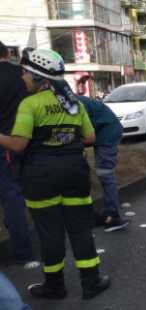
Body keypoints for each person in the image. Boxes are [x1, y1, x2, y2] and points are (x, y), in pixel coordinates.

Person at [0, 48, 110, 300]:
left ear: (39, 76)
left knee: (49, 232)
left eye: (26, 72)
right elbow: (90, 137)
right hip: (74, 173)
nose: (22, 77)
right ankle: (91, 282)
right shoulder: (74, 103)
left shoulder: (30, 104)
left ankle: (55, 285)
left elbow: (18, 145)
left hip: (40, 177)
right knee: (81, 229)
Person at [0, 41, 35, 267]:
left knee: (11, 197)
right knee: (20, 194)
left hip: (4, 146)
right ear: (7, 53)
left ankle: (22, 250)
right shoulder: (23, 75)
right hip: (23, 140)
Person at [76, 94, 129, 232]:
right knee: (104, 174)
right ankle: (108, 214)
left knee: (105, 174)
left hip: (107, 133)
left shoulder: (74, 105)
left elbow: (88, 137)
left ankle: (113, 216)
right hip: (105, 129)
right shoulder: (73, 100)